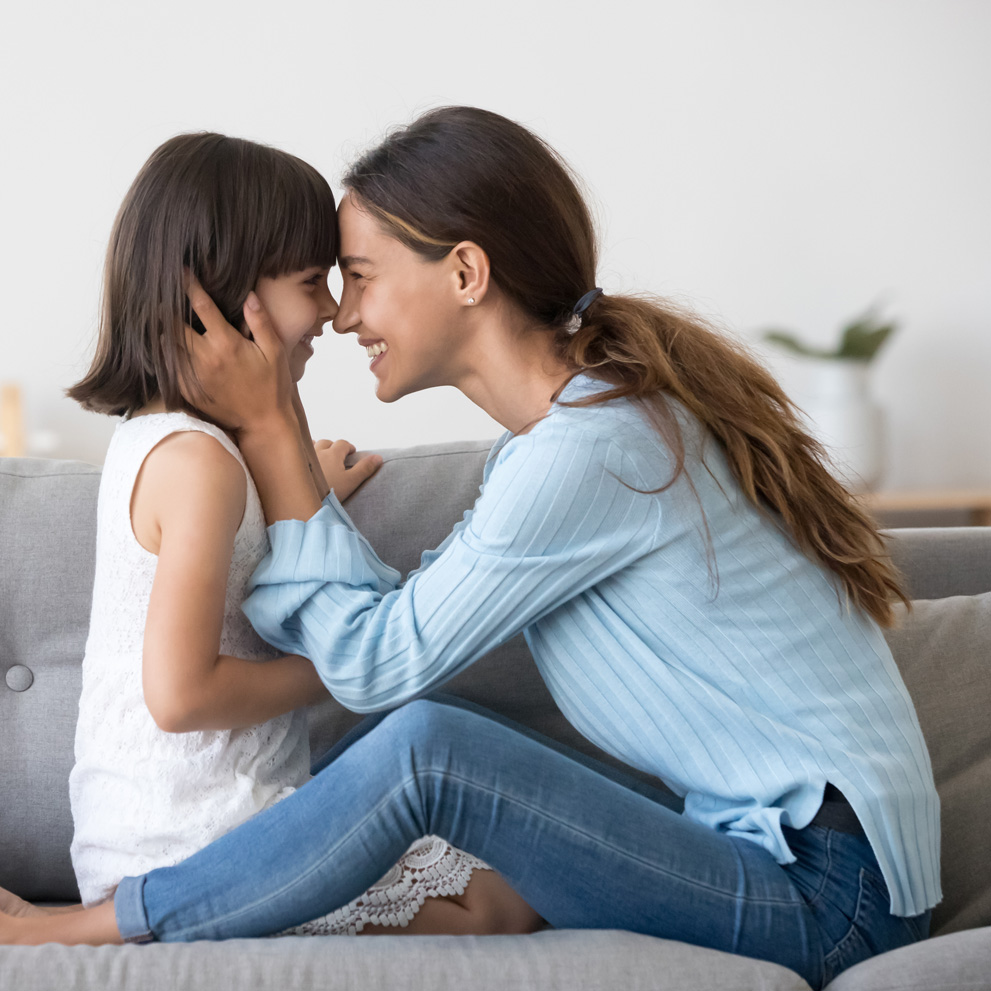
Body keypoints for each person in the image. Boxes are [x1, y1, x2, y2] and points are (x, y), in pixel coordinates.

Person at [0, 108, 938, 988]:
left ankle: (108, 923)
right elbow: (392, 627)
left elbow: (377, 666)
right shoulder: (554, 442)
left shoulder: (592, 448)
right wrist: (285, 458)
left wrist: (274, 426)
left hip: (825, 889)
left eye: (359, 275)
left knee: (430, 748)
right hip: (785, 855)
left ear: (464, 274)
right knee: (450, 773)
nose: (339, 314)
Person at [0, 131, 538, 939]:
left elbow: (247, 517)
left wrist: (311, 488)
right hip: (187, 839)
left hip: (194, 822)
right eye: (308, 283)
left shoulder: (184, 446)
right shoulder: (197, 466)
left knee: (499, 882)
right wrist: (334, 669)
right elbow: (180, 697)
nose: (330, 309)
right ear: (216, 297)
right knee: (499, 904)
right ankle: (115, 922)